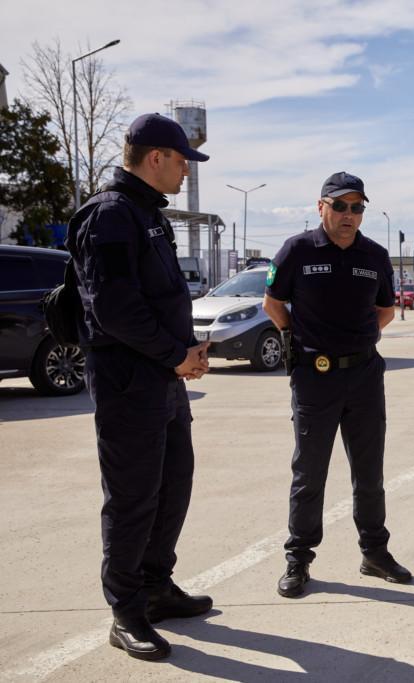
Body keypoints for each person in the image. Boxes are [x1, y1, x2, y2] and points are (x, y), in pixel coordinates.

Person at [68, 113, 213, 661]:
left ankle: (156, 586)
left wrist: (188, 351)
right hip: (129, 384)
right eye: (181, 161)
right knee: (132, 498)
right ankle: (126, 610)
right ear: (156, 157)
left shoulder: (147, 214)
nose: (184, 172)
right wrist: (177, 355)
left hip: (164, 380)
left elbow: (161, 297)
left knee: (173, 485)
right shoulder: (109, 216)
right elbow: (113, 310)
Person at [263, 171, 412, 599]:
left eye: (357, 207)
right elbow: (272, 303)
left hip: (364, 374)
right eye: (341, 206)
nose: (349, 215)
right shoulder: (298, 250)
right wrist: (300, 338)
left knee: (369, 472)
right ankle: (299, 558)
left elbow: (385, 310)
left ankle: (375, 552)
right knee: (309, 473)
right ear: (321, 206)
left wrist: (358, 339)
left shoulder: (375, 255)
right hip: (315, 375)